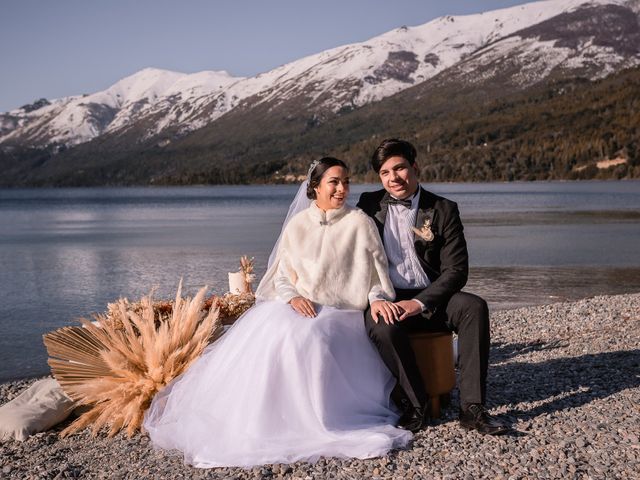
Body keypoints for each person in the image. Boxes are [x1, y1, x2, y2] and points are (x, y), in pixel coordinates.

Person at [143, 157, 412, 468]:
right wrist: (292, 297)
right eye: (334, 182)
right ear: (315, 187)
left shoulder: (359, 223)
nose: (342, 188)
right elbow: (282, 275)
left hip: (342, 312)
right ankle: (265, 421)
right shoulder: (298, 225)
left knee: (307, 336)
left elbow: (379, 278)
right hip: (302, 304)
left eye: (346, 181)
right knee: (272, 332)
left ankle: (317, 420)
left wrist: (378, 298)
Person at [357, 138, 509, 435]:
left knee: (473, 306)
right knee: (381, 325)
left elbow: (456, 271)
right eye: (385, 173)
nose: (393, 178)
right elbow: (351, 255)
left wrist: (418, 303)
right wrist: (375, 299)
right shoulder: (369, 206)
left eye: (399, 168)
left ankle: (473, 409)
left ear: (415, 167)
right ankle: (416, 405)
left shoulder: (443, 209)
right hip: (388, 296)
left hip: (433, 299)